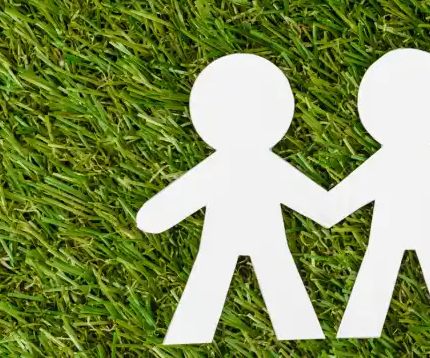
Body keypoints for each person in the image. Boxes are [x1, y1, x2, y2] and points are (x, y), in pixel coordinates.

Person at [136, 54, 329, 344]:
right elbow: (319, 206)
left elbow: (316, 204)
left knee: (247, 269)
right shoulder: (252, 164)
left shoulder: (237, 164)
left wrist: (156, 216)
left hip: (239, 236)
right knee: (252, 270)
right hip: (242, 236)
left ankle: (294, 329)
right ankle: (296, 330)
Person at [325, 49, 430, 337]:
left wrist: (326, 208)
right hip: (405, 230)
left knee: (414, 262)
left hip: (412, 230)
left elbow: (337, 203)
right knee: (398, 263)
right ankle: (364, 327)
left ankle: (363, 328)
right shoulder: (407, 158)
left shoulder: (408, 158)